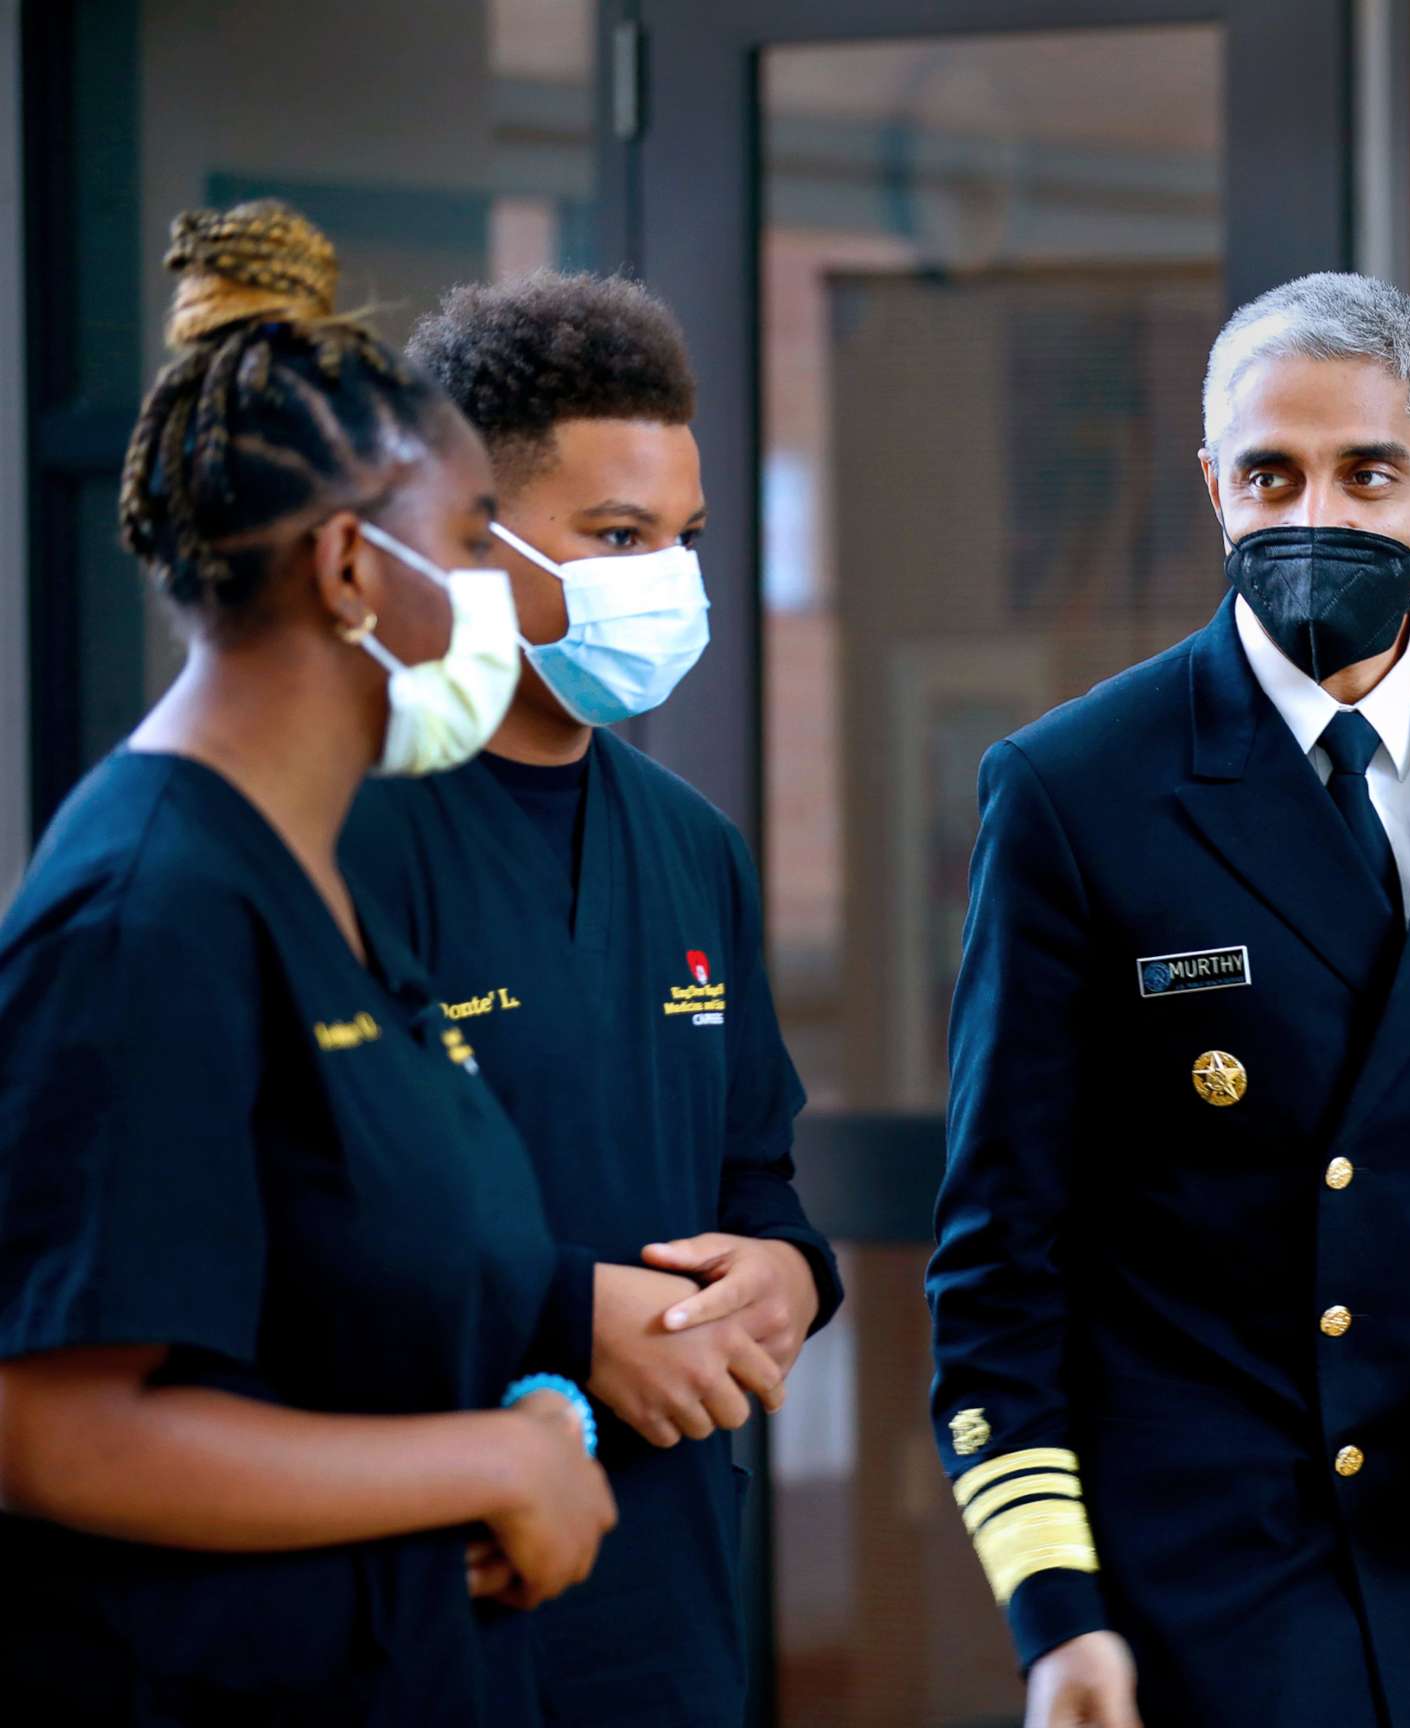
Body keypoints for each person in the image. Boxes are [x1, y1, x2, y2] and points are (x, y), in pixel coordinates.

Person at [927, 273, 1410, 1727]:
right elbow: (999, 1253)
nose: (1318, 518)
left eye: (1371, 473)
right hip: (1202, 1583)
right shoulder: (1077, 786)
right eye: (1273, 473)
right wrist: (1057, 1614)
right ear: (1214, 483)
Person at [0, 201, 615, 1723]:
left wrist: (517, 1405)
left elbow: (338, 1284)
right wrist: (487, 1459)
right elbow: (50, 1431)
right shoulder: (150, 913)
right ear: (350, 566)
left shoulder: (310, 879)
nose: (514, 597)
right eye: (474, 539)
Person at [336, 269, 843, 1726]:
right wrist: (568, 1316)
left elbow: (761, 1177)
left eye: (682, 538)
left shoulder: (691, 849)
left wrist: (791, 1280)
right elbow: (312, 1227)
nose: (664, 582)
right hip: (439, 1590)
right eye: (615, 537)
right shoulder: (347, 831)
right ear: (464, 536)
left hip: (668, 1586)